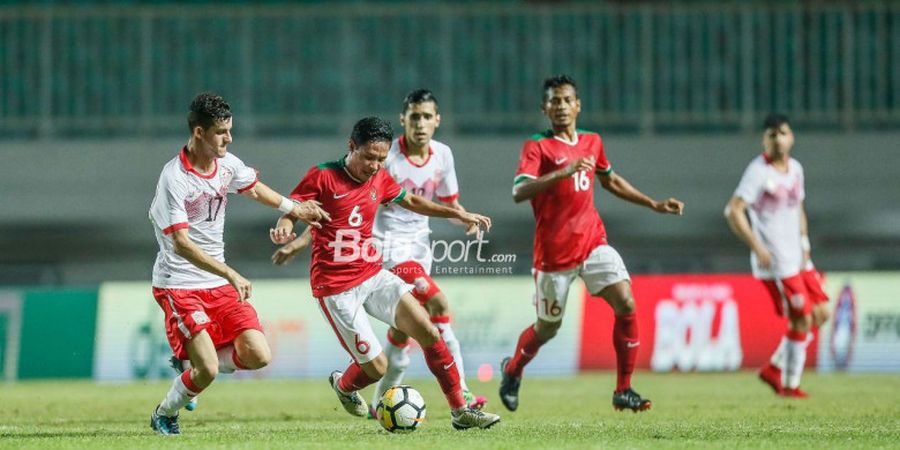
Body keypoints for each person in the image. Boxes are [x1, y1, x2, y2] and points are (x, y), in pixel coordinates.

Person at [271, 116, 501, 430]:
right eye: (369, 157)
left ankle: (461, 411)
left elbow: (415, 201)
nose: (376, 165)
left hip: (372, 273)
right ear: (351, 147)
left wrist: (458, 213)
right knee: (377, 368)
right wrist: (285, 228)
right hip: (336, 287)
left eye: (382, 158)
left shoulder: (379, 179)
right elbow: (293, 209)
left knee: (429, 332)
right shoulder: (322, 176)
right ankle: (344, 386)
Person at [499, 75, 684, 413]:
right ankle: (512, 371)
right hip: (554, 254)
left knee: (626, 302)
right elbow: (518, 191)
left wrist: (653, 204)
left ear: (578, 105)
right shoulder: (537, 146)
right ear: (545, 108)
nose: (561, 106)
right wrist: (562, 172)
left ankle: (623, 389)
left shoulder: (592, 141)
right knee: (547, 328)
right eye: (554, 101)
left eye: (567, 99)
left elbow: (609, 179)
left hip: (592, 241)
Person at [148, 92, 329, 435]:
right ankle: (164, 412)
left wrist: (293, 209)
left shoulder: (227, 164)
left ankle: (189, 362)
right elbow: (182, 244)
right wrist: (230, 272)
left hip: (217, 284)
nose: (228, 138)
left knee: (259, 354)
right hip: (180, 284)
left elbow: (254, 188)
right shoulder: (174, 178)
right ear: (199, 132)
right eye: (221, 132)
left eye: (230, 131)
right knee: (208, 371)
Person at [725, 113, 830, 398]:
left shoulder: (796, 169)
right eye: (772, 134)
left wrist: (805, 242)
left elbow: (799, 209)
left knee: (821, 312)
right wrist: (757, 247)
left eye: (782, 133)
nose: (778, 139)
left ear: (791, 137)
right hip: (777, 262)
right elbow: (733, 210)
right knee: (801, 319)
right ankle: (790, 386)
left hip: (799, 257)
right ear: (764, 140)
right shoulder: (758, 171)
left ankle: (773, 368)